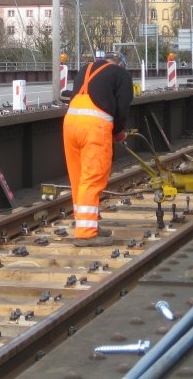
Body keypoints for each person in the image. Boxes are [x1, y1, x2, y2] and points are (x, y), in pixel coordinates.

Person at [63, 51, 134, 247]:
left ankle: (85, 223)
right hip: (94, 128)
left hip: (70, 125)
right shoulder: (121, 75)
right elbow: (122, 108)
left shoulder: (85, 69)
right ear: (120, 64)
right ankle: (86, 233)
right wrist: (118, 132)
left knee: (78, 178)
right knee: (92, 178)